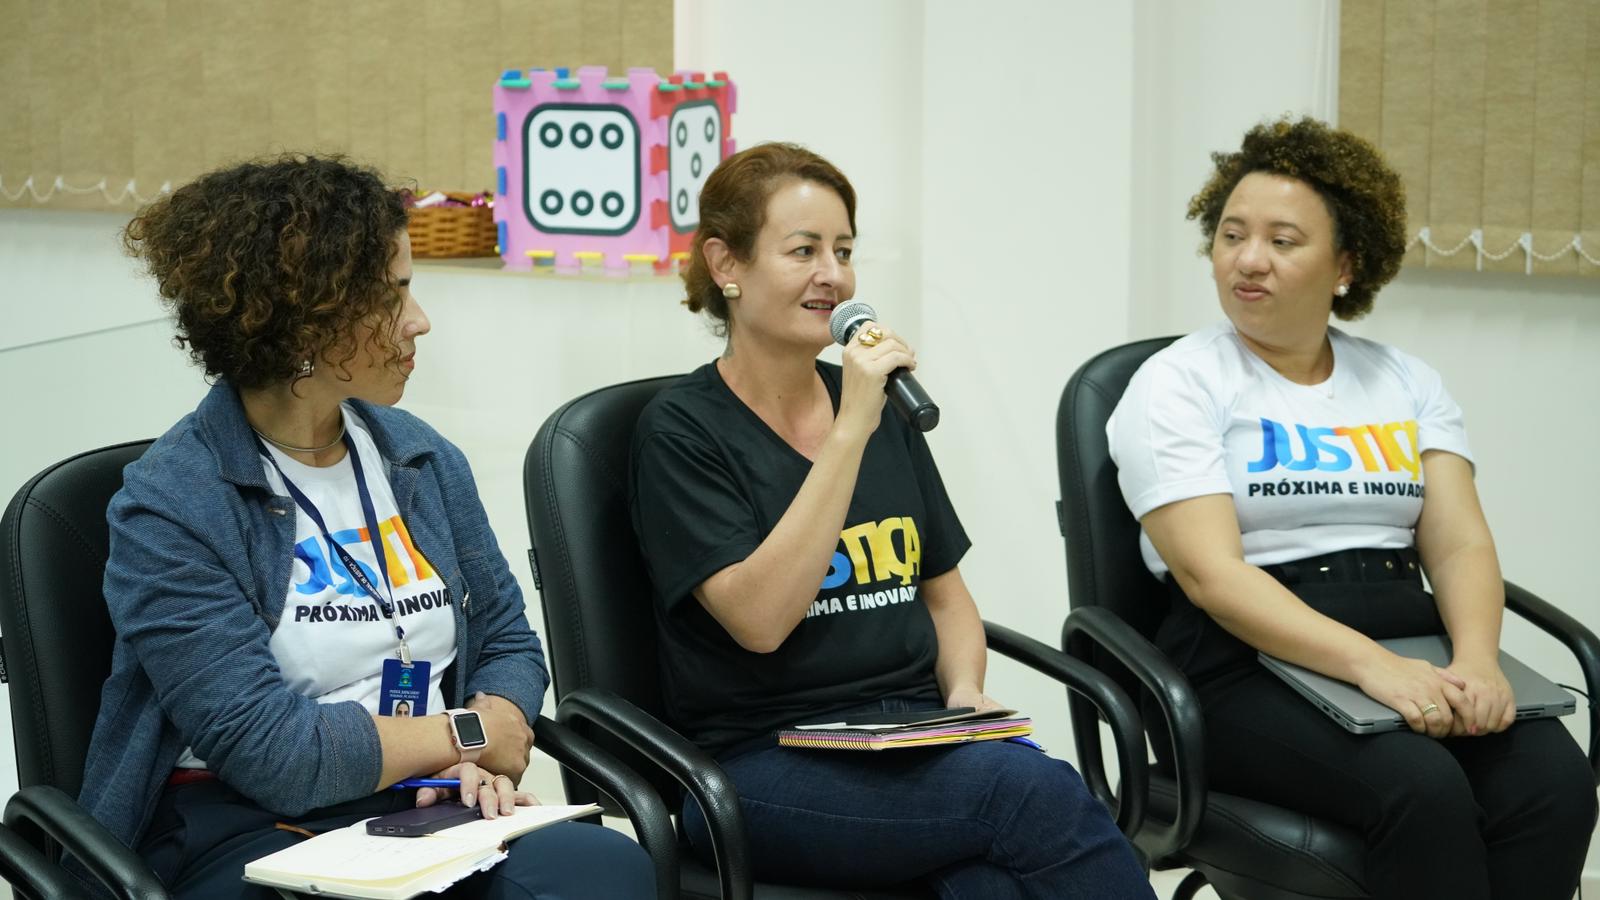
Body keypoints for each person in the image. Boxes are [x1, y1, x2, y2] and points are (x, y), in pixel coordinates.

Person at [77, 155, 654, 899]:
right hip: (242, 826)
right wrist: (468, 736)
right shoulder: (171, 505)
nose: (419, 320)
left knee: (611, 875)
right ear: (300, 322)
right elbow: (271, 752)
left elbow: (507, 639)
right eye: (391, 295)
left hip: (416, 802)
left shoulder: (418, 457)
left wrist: (478, 737)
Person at [630, 142, 1153, 899]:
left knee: (990, 887)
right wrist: (849, 431)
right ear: (726, 265)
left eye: (843, 251)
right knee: (1031, 793)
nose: (833, 275)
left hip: (911, 737)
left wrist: (967, 691)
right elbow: (761, 621)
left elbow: (945, 595)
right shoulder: (680, 432)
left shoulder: (883, 412)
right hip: (755, 766)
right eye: (803, 250)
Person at [1107, 117, 1596, 899]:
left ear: (1346, 264)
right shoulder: (1178, 383)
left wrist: (1474, 660)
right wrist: (1375, 669)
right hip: (1241, 661)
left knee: (1555, 786)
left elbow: (1460, 545)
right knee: (1420, 789)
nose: (1248, 260)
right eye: (1232, 235)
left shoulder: (1404, 380)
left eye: (1283, 240)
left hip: (1410, 635)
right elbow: (1211, 576)